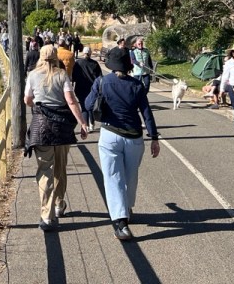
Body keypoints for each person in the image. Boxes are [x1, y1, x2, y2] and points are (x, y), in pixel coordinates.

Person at [85, 49, 160, 241]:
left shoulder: (101, 82)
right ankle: (127, 207)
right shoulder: (136, 85)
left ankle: (120, 222)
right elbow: (146, 113)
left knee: (112, 177)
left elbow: (88, 104)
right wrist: (154, 138)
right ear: (128, 65)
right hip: (134, 136)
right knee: (131, 176)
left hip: (110, 133)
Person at [24, 44, 88, 231]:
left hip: (41, 126)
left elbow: (27, 100)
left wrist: (38, 101)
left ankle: (47, 216)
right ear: (56, 57)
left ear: (41, 57)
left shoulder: (33, 75)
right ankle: (59, 204)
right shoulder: (62, 75)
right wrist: (82, 122)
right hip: (62, 127)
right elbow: (71, 100)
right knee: (60, 167)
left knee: (45, 170)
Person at [72, 46, 103, 130]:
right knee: (91, 106)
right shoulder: (95, 63)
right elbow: (100, 77)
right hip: (92, 88)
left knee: (84, 107)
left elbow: (73, 76)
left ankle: (86, 125)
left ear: (83, 53)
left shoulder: (78, 63)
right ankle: (92, 123)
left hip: (80, 87)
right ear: (90, 53)